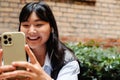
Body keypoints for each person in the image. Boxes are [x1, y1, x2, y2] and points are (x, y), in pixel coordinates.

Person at [0, 1, 80, 80]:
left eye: (39, 25)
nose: (31, 31)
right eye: (26, 25)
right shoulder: (13, 56)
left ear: (51, 27)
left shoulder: (67, 61)